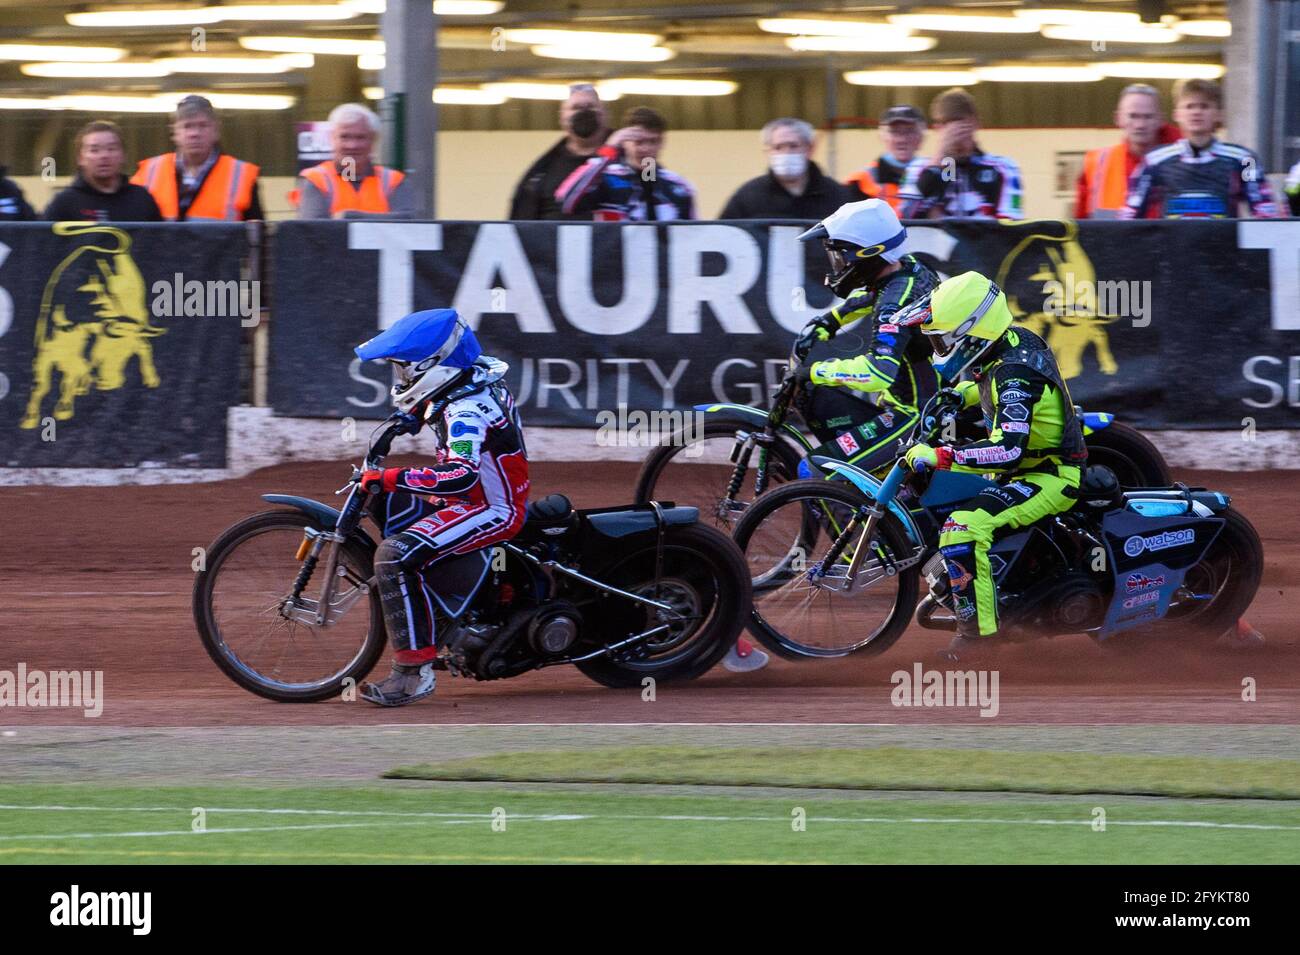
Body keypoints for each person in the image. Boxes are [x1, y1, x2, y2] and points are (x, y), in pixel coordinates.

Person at [896, 272, 1087, 659]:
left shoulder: (1013, 374)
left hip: (1048, 474)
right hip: (1027, 467)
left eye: (940, 339)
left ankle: (979, 639)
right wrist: (960, 397)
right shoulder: (1010, 343)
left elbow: (1007, 450)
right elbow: (991, 390)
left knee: (962, 527)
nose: (936, 346)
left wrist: (940, 456)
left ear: (971, 333)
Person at [352, 308, 530, 706]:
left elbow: (461, 475)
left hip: (491, 508)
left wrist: (393, 476)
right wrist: (415, 416)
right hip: (468, 498)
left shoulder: (465, 412)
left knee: (394, 555)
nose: (401, 380)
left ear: (434, 366)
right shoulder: (472, 375)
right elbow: (442, 406)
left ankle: (414, 675)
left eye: (405, 371)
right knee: (393, 510)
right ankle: (440, 604)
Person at [793, 198, 941, 476]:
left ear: (870, 253)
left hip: (914, 416)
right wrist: (833, 319)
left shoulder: (894, 305)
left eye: (841, 255)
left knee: (814, 470)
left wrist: (814, 372)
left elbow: (878, 372)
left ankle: (856, 518)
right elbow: (873, 292)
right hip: (926, 403)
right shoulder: (909, 267)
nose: (838, 265)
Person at [1121, 78, 1279, 219]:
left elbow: (1264, 212)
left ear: (1219, 114)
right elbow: (1130, 214)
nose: (1196, 112)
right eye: (1189, 106)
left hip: (1223, 249)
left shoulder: (1245, 159)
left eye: (1204, 106)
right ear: (1177, 114)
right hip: (1173, 250)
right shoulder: (1154, 160)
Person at [130, 95, 262, 222]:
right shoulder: (148, 172)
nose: (195, 133)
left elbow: (257, 236)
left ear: (216, 130)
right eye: (187, 126)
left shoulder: (242, 176)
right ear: (174, 132)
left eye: (203, 125)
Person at [553, 106, 696, 220]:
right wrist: (607, 151)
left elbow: (693, 236)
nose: (645, 149)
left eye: (653, 141)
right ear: (624, 141)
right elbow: (565, 202)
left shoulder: (678, 186)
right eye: (638, 141)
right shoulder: (605, 179)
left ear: (662, 142)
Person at [899, 89, 1023, 220]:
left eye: (962, 129)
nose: (956, 138)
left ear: (975, 123)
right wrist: (940, 157)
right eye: (949, 130)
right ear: (937, 128)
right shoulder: (918, 168)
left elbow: (1010, 223)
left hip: (983, 239)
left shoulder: (1003, 167)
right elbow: (906, 216)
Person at [509, 83, 611, 220]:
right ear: (562, 118)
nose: (584, 112)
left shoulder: (632, 155)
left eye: (590, 106)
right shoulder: (541, 171)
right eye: (576, 108)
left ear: (604, 114)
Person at [1075, 84, 1178, 219]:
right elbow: (1079, 224)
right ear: (1118, 119)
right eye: (1133, 116)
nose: (1140, 125)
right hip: (1111, 239)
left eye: (1148, 117)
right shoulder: (1095, 164)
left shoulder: (1183, 162)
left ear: (1161, 120)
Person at [297, 103, 413, 219]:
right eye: (344, 137)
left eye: (360, 137)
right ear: (332, 138)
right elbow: (313, 231)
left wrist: (349, 217)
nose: (352, 145)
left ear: (373, 140)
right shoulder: (316, 180)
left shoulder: (393, 181)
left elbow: (404, 224)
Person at [719, 118, 849, 220]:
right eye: (778, 147)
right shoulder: (748, 196)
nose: (786, 153)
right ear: (767, 151)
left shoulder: (837, 195)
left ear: (809, 148)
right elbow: (721, 238)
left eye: (793, 146)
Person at [44, 121, 162, 222]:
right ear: (80, 158)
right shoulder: (65, 203)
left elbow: (162, 243)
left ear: (123, 155)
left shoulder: (142, 199)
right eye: (94, 150)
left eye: (111, 149)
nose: (104, 156)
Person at [844, 105, 930, 214]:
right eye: (894, 132)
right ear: (881, 136)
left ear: (922, 137)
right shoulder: (860, 182)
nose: (901, 139)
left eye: (909, 131)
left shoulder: (934, 175)